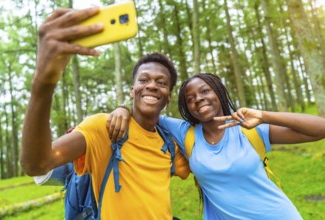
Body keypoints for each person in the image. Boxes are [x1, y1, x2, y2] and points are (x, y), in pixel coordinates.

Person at [20, 7, 190, 220]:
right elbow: (37, 164)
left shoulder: (171, 144)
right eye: (144, 80)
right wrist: (43, 83)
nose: (152, 86)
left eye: (161, 82)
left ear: (168, 96)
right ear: (132, 90)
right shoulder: (104, 127)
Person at [108, 73, 325, 219]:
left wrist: (264, 115)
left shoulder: (248, 128)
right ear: (187, 107)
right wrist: (122, 109)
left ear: (218, 93)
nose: (199, 100)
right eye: (190, 98)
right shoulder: (186, 134)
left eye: (205, 92)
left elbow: (320, 128)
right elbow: (146, 113)